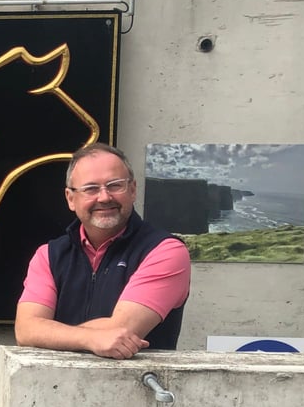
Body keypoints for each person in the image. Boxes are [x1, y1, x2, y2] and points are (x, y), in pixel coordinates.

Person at [15, 143, 190, 359]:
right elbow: (25, 330)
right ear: (71, 199)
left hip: (139, 388)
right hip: (57, 388)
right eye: (91, 188)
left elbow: (120, 331)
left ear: (133, 190)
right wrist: (90, 339)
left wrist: (49, 332)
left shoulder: (165, 251)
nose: (104, 197)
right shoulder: (49, 255)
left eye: (115, 185)